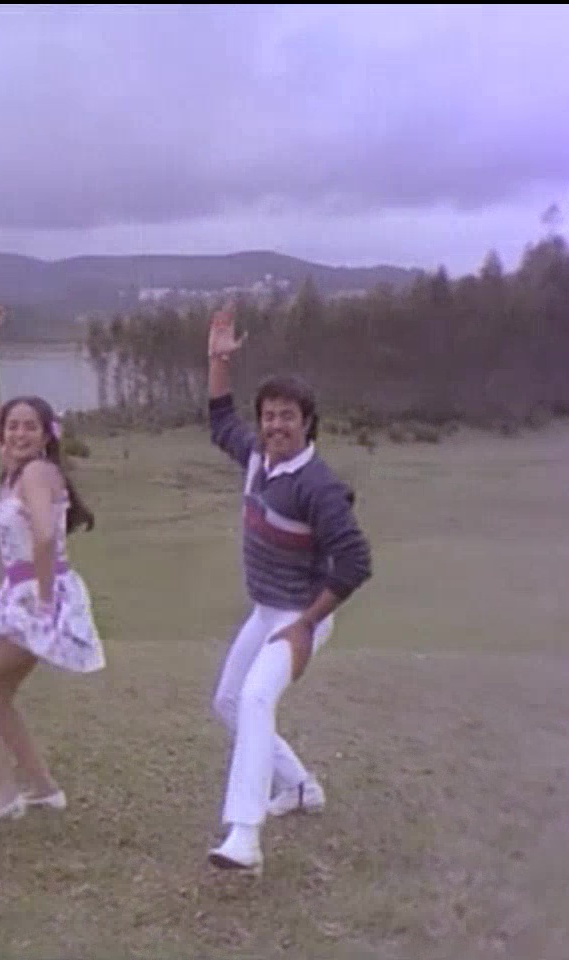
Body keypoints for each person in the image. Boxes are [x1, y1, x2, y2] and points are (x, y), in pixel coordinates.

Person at [202, 303, 373, 874]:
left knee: (255, 699)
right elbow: (220, 422)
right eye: (269, 416)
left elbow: (355, 561)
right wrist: (218, 360)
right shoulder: (259, 459)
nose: (276, 426)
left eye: (288, 417)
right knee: (228, 701)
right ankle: (299, 787)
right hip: (266, 611)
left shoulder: (318, 487)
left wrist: (305, 624)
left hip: (302, 616)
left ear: (308, 423)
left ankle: (244, 837)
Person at [0, 304, 107, 829]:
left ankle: (3, 791)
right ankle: (43, 788)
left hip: (37, 595)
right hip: (26, 592)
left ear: (46, 434)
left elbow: (43, 534)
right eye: (12, 426)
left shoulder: (36, 473)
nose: (16, 433)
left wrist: (42, 598)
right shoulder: (14, 466)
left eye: (28, 427)